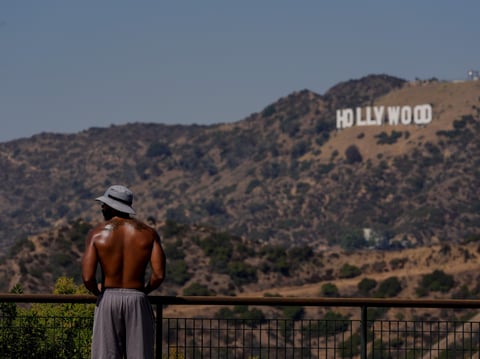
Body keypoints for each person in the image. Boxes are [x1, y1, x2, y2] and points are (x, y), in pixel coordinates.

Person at [82, 184, 166, 359]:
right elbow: (158, 275)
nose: (102, 207)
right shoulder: (148, 234)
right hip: (137, 299)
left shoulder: (96, 234)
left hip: (108, 299)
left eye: (104, 204)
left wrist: (97, 291)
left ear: (112, 207)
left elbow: (88, 277)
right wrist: (144, 290)